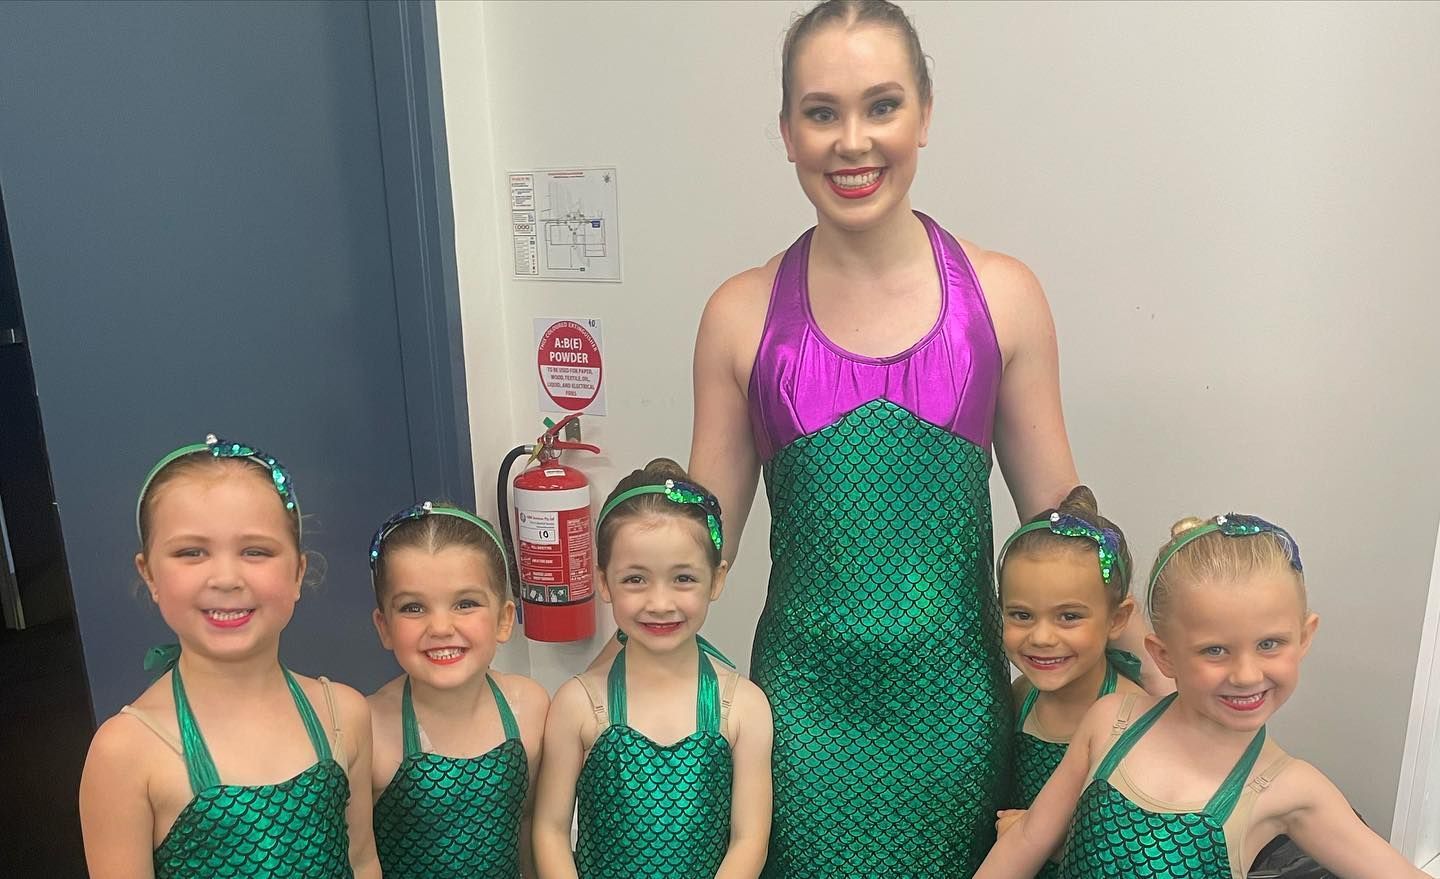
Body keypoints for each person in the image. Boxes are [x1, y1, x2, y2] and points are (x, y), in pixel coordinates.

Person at [689, 1, 1081, 873]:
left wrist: (1165, 657)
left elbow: (1062, 528)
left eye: (882, 105)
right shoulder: (741, 315)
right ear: (787, 131)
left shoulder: (1004, 298)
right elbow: (692, 549)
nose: (852, 141)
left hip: (955, 712)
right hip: (798, 718)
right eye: (822, 112)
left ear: (925, 113)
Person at [977, 514, 1426, 879]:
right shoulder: (1110, 722)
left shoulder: (1293, 789)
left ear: (1304, 637)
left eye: (1270, 644)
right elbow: (1027, 839)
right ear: (1164, 655)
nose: (1247, 674)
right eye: (1215, 650)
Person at [78, 435, 380, 878]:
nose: (225, 577)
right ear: (150, 575)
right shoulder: (125, 752)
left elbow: (362, 861)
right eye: (191, 552)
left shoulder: (344, 715)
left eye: (254, 551)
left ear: (298, 572)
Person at [534, 459, 772, 879]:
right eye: (635, 580)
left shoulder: (743, 708)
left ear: (716, 580)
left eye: (682, 579)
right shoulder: (579, 704)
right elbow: (551, 830)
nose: (660, 602)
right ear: (604, 582)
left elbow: (749, 839)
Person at [367, 501, 548, 878]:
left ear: (504, 619)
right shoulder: (367, 728)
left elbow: (530, 823)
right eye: (413, 608)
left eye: (465, 604)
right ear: (384, 626)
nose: (440, 626)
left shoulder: (529, 708)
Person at [992, 486, 1145, 878]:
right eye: (1022, 615)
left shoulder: (1135, 717)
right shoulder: (1020, 696)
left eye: (1069, 617)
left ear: (1116, 619)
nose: (1042, 637)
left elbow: (1140, 847)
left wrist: (1050, 843)